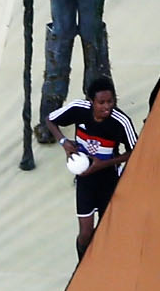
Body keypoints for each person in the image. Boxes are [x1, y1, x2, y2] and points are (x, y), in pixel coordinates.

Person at [54, 77, 134, 262]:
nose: (107, 107)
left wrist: (103, 164)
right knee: (85, 233)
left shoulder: (121, 121)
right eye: (101, 102)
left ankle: (100, 266)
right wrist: (64, 142)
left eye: (110, 101)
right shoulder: (78, 109)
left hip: (109, 179)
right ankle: (82, 266)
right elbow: (50, 120)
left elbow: (136, 151)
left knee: (106, 228)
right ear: (91, 101)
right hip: (85, 179)